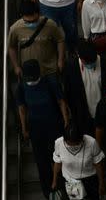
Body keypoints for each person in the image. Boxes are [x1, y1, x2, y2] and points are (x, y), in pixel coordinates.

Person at [17, 59, 69, 199]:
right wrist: (24, 129)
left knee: (59, 158)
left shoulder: (50, 82)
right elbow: (22, 109)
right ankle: (49, 192)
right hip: (36, 128)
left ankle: (64, 187)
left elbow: (60, 101)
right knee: (42, 161)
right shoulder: (22, 87)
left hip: (54, 126)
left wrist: (65, 118)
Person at [8, 0, 66, 81]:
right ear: (22, 16)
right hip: (28, 72)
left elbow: (60, 40)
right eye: (28, 21)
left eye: (34, 20)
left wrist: (60, 60)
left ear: (38, 14)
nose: (31, 23)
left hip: (50, 70)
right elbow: (11, 47)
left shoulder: (50, 24)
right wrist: (16, 66)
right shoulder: (15, 28)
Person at [51, 124, 106, 200]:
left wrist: (101, 183)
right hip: (69, 182)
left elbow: (98, 164)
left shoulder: (92, 142)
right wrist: (54, 181)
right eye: (69, 144)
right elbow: (57, 163)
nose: (73, 147)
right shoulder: (58, 143)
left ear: (82, 139)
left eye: (76, 144)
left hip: (89, 181)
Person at [64, 40, 106, 135]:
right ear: (80, 58)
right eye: (87, 62)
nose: (91, 64)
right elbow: (68, 92)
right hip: (83, 116)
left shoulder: (105, 63)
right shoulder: (71, 67)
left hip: (104, 114)